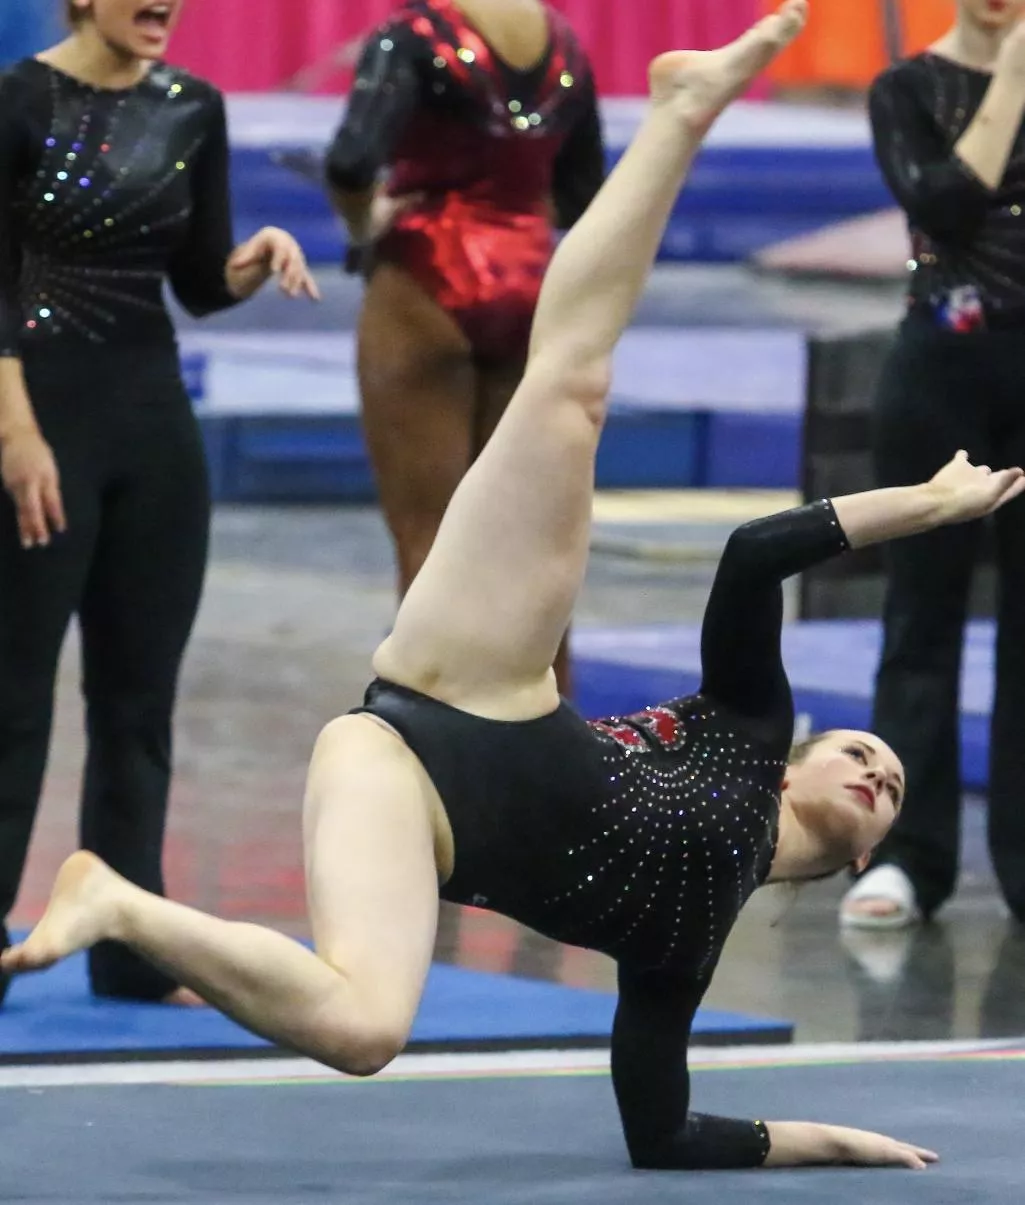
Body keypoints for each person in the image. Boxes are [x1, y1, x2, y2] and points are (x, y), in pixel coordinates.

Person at [7, 2, 1015, 1170]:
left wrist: (835, 1140)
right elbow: (753, 553)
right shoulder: (748, 731)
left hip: (402, 795)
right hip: (481, 677)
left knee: (365, 1026)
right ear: (801, 757)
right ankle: (683, 109)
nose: (873, 766)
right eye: (863, 750)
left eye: (885, 787)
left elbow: (663, 1130)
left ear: (857, 858)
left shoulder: (681, 952)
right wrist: (924, 505)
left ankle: (118, 898)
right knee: (570, 388)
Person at [0, 0, 319, 1007]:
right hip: (36, 426)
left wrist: (253, 254)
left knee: (138, 704)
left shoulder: (194, 106)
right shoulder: (16, 102)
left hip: (153, 434)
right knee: (11, 705)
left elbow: (195, 282)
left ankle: (130, 945)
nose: (164, 5)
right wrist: (15, 436)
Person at [322, 0, 606, 697]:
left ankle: (439, 741)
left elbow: (352, 159)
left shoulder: (410, 37)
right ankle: (547, 725)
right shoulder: (566, 47)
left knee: (432, 541)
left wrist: (366, 222)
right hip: (533, 288)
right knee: (532, 540)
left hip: (427, 278)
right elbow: (584, 193)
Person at [840, 0, 1025, 930]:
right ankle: (906, 854)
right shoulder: (904, 89)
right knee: (921, 619)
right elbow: (947, 205)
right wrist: (1015, 78)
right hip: (939, 378)